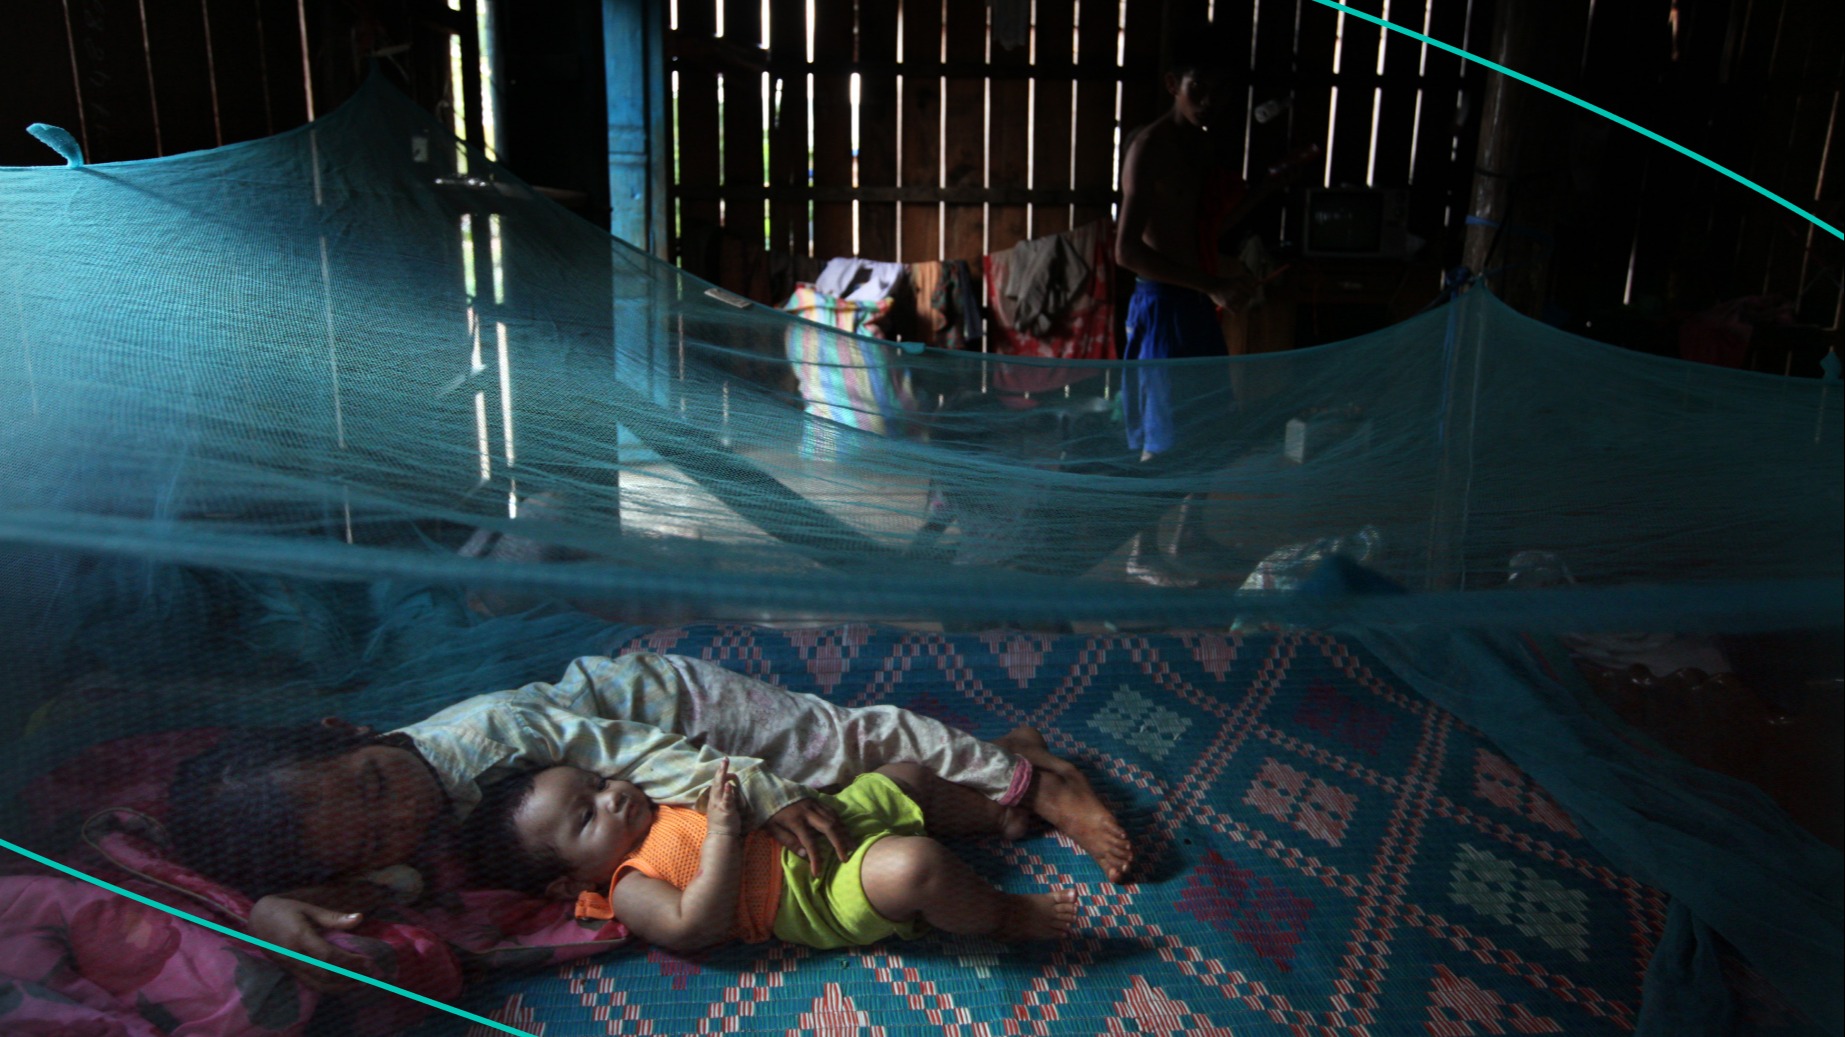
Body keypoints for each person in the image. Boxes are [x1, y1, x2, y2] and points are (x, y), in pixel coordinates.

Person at [167, 652, 1128, 984]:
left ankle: (1040, 782)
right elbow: (381, 887)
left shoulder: (481, 735)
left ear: (352, 731)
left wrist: (754, 787)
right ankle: (998, 759)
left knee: (834, 748)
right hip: (652, 789)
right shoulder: (372, 844)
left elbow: (635, 757)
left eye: (375, 784)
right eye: (372, 836)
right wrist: (269, 907)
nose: (400, 816)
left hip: (665, 717)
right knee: (866, 783)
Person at [465, 757, 1079, 952]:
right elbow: (694, 927)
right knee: (917, 867)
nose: (614, 798)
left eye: (598, 782)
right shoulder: (627, 882)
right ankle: (1004, 916)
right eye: (586, 817)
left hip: (818, 828)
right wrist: (726, 837)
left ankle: (995, 816)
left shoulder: (656, 797)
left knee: (905, 775)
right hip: (808, 896)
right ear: (566, 883)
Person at [1113, 31, 1270, 587]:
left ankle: (1189, 533)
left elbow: (1204, 227)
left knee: (1205, 430)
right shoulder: (1148, 148)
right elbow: (1127, 251)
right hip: (1162, 307)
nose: (1208, 102)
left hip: (1197, 301)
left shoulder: (1202, 147)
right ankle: (1143, 550)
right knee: (1164, 437)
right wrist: (1211, 283)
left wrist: (1268, 187)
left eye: (1219, 92)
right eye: (1198, 88)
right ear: (1171, 85)